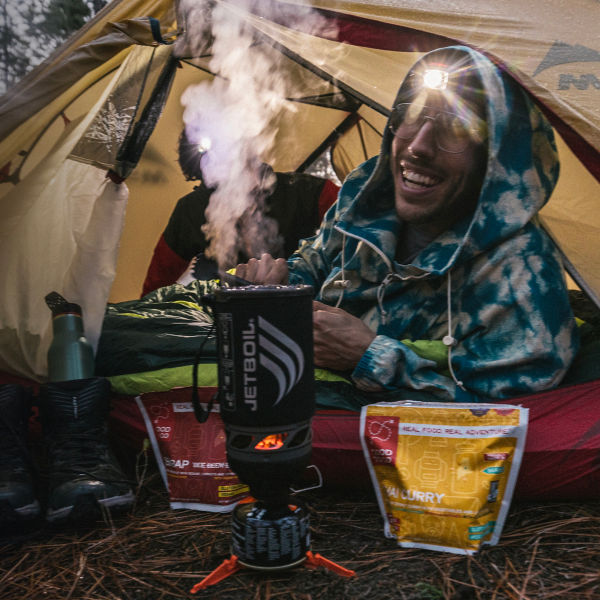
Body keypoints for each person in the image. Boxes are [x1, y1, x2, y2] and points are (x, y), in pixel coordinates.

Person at [235, 45, 580, 403]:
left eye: (455, 129)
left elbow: (509, 420)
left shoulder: (522, 273)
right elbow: (318, 261)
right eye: (412, 115)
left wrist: (369, 357)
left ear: (494, 159)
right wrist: (281, 283)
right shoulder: (367, 196)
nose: (418, 146)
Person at [142, 129, 339, 295]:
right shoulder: (192, 209)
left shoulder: (308, 192)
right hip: (230, 312)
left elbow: (354, 230)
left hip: (308, 304)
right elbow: (157, 283)